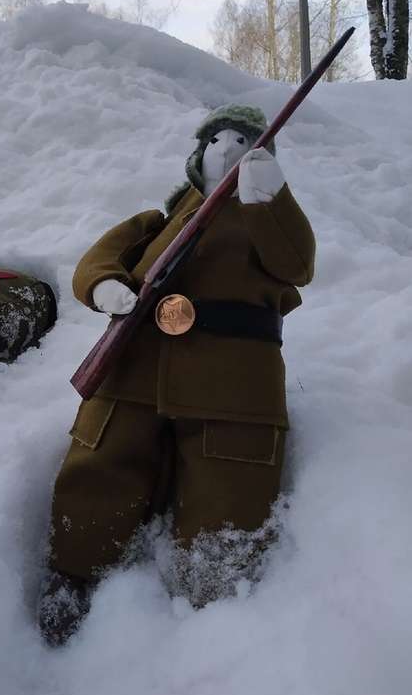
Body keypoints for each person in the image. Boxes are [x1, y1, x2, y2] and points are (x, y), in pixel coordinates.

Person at [38, 104, 316, 646]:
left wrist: (272, 200)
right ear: (198, 154)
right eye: (219, 139)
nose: (231, 148)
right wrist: (105, 288)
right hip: (137, 364)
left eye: (245, 141)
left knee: (229, 493)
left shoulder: (271, 222)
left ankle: (214, 625)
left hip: (236, 380)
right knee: (100, 463)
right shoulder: (160, 221)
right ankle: (74, 574)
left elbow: (298, 264)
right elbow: (98, 259)